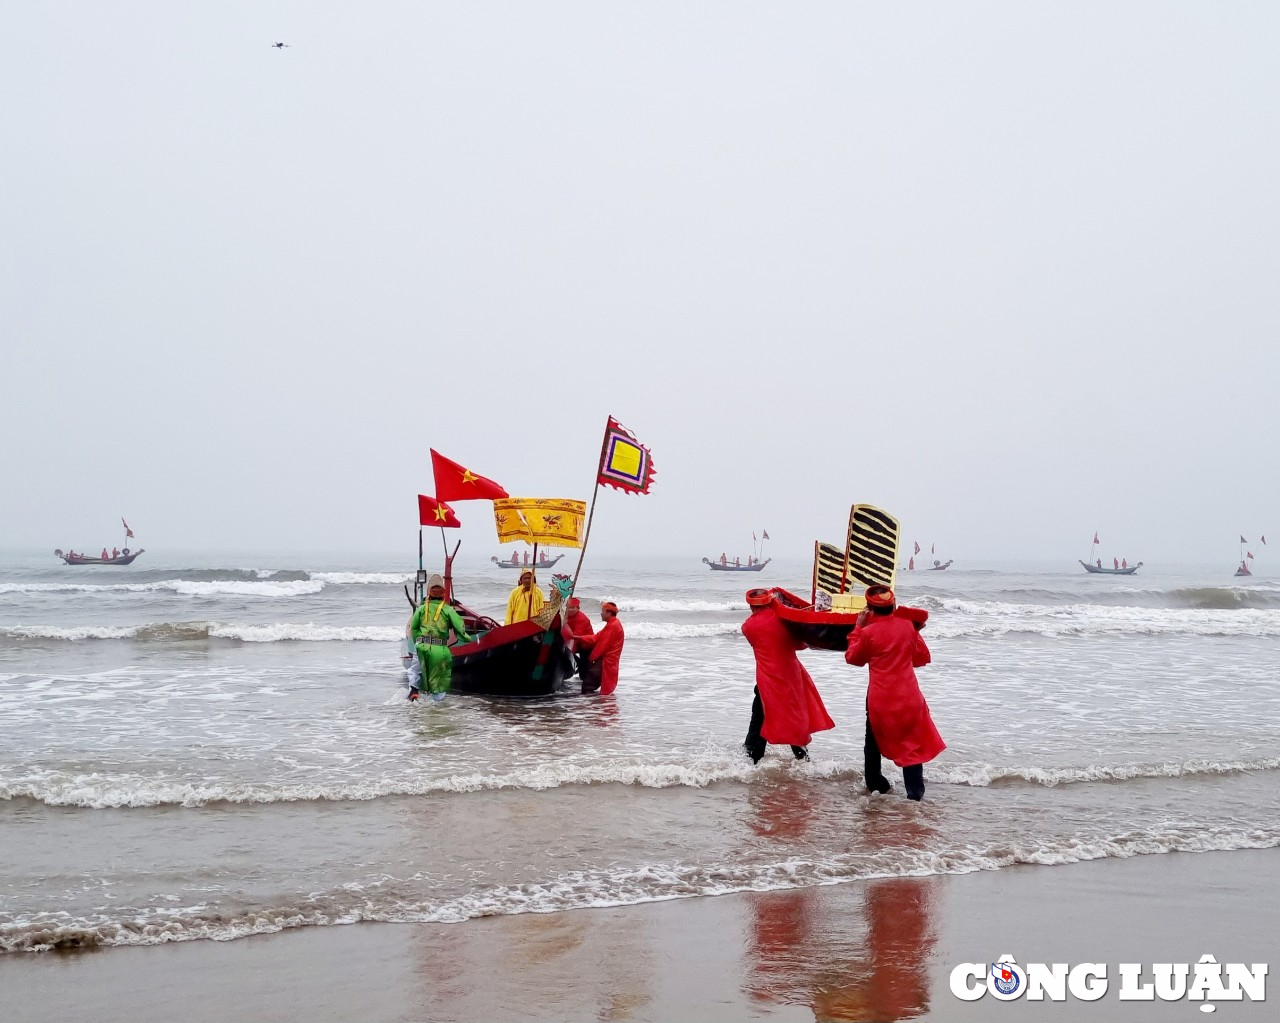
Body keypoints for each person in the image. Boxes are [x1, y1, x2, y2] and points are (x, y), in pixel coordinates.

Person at [845, 585, 945, 800]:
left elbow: (853, 658)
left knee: (872, 742)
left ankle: (877, 786)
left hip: (881, 699)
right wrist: (913, 631)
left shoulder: (867, 633)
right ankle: (915, 796)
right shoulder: (908, 627)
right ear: (893, 605)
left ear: (869, 609)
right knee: (912, 746)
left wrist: (857, 628)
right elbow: (921, 658)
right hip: (909, 696)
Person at [740, 589, 834, 763]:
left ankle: (751, 759)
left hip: (766, 678)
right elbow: (800, 645)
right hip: (791, 675)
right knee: (793, 715)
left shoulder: (747, 627)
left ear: (751, 605)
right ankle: (803, 759)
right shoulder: (782, 620)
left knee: (760, 716)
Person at [407, 574, 472, 701]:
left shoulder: (421, 609)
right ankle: (437, 708)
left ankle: (414, 690)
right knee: (439, 679)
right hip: (439, 649)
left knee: (415, 670)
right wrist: (468, 639)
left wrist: (417, 643)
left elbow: (413, 628)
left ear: (429, 592)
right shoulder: (449, 610)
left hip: (421, 645)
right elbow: (460, 629)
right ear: (443, 593)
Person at [577, 601, 624, 695]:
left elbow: (602, 646)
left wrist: (590, 659)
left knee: (588, 685)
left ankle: (589, 707)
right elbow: (597, 637)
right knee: (592, 685)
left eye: (603, 611)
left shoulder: (613, 626)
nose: (601, 613)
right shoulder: (612, 624)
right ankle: (593, 705)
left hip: (607, 661)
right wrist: (578, 637)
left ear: (609, 613)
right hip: (607, 660)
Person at [563, 596, 596, 691]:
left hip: (586, 643)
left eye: (573, 608)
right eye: (569, 608)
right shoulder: (564, 615)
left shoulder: (582, 619)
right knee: (577, 660)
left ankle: (584, 684)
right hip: (574, 640)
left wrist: (569, 651)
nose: (570, 610)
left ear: (578, 608)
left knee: (584, 664)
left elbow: (576, 637)